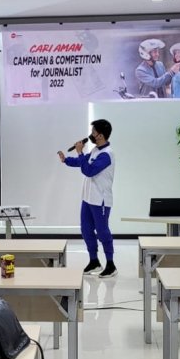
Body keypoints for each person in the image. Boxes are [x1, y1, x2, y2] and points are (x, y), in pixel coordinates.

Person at [57, 119, 116, 278]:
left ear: (101, 135)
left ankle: (111, 264)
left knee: (103, 232)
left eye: (94, 132)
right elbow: (82, 163)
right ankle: (94, 261)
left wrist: (80, 151)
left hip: (101, 201)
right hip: (88, 198)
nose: (91, 135)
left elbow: (89, 171)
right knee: (86, 230)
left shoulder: (107, 155)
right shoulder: (96, 150)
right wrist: (66, 160)